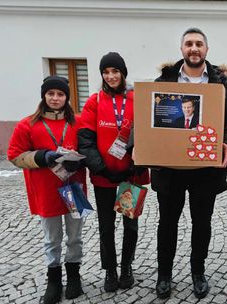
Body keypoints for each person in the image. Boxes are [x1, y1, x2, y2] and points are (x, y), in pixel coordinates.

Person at [152, 27, 227, 299]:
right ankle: (164, 275)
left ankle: (198, 272)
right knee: (167, 223)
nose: (194, 48)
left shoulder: (221, 84)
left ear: (206, 50)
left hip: (205, 169)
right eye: (188, 44)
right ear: (181, 49)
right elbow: (146, 118)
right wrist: (139, 147)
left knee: (202, 223)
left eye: (199, 44)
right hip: (169, 169)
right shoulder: (164, 80)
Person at [7, 76, 87, 304]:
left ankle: (74, 276)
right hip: (46, 191)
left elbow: (89, 149)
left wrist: (81, 161)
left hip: (74, 188)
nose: (55, 98)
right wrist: (41, 156)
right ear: (44, 96)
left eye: (60, 94)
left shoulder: (77, 123)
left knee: (75, 237)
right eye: (51, 94)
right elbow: (14, 156)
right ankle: (54, 280)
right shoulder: (27, 125)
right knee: (52, 239)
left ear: (67, 98)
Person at [78, 52, 149, 292]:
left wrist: (136, 163)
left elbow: (149, 133)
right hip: (104, 177)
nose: (110, 76)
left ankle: (127, 266)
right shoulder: (95, 101)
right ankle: (110, 269)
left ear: (123, 73)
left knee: (130, 224)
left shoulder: (136, 98)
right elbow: (85, 140)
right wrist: (101, 168)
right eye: (106, 72)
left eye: (115, 71)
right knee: (107, 226)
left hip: (131, 175)